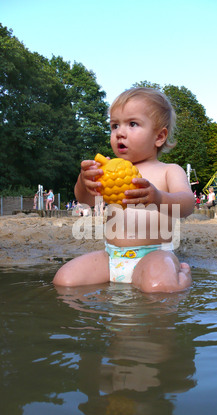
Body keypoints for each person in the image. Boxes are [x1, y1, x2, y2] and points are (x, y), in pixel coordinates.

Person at [53, 87, 195, 293]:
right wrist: (84, 182)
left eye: (133, 124)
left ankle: (182, 274)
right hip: (111, 256)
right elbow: (86, 201)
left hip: (153, 255)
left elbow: (187, 204)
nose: (119, 132)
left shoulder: (168, 171)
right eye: (114, 125)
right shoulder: (107, 171)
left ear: (159, 136)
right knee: (64, 280)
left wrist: (158, 197)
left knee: (159, 287)